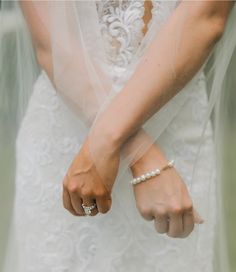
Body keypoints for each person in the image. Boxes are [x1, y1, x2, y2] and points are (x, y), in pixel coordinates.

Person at [1, 0, 236, 271]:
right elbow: (52, 40)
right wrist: (143, 157)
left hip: (176, 132)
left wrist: (106, 142)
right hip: (68, 131)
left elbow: (206, 17)